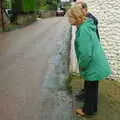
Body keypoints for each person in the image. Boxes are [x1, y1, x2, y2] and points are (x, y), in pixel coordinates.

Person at [67, 5, 112, 116]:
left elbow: (86, 54)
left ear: (75, 17)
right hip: (96, 63)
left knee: (90, 89)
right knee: (92, 88)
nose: (69, 19)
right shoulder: (86, 25)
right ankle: (93, 109)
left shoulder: (83, 30)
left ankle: (87, 111)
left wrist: (81, 66)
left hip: (92, 64)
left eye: (70, 17)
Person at [75, 2, 100, 101]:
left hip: (92, 53)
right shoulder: (86, 19)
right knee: (90, 80)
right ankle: (86, 94)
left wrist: (82, 64)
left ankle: (88, 102)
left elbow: (86, 49)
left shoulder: (88, 20)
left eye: (79, 8)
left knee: (91, 80)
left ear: (85, 9)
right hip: (93, 51)